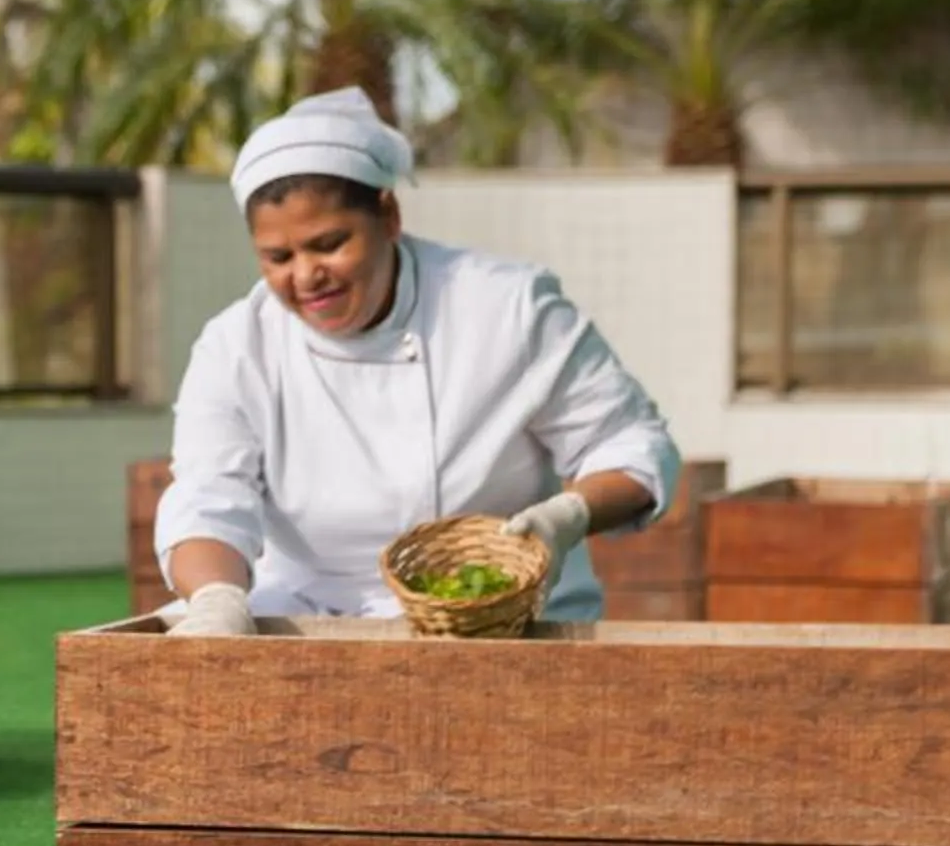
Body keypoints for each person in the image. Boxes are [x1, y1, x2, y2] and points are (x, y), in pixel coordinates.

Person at [156, 89, 680, 635]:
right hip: (307, 620)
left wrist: (565, 518)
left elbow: (633, 445)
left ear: (389, 215)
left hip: (511, 624)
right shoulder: (236, 346)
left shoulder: (508, 307)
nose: (307, 276)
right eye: (278, 257)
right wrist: (217, 600)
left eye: (329, 243)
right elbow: (208, 496)